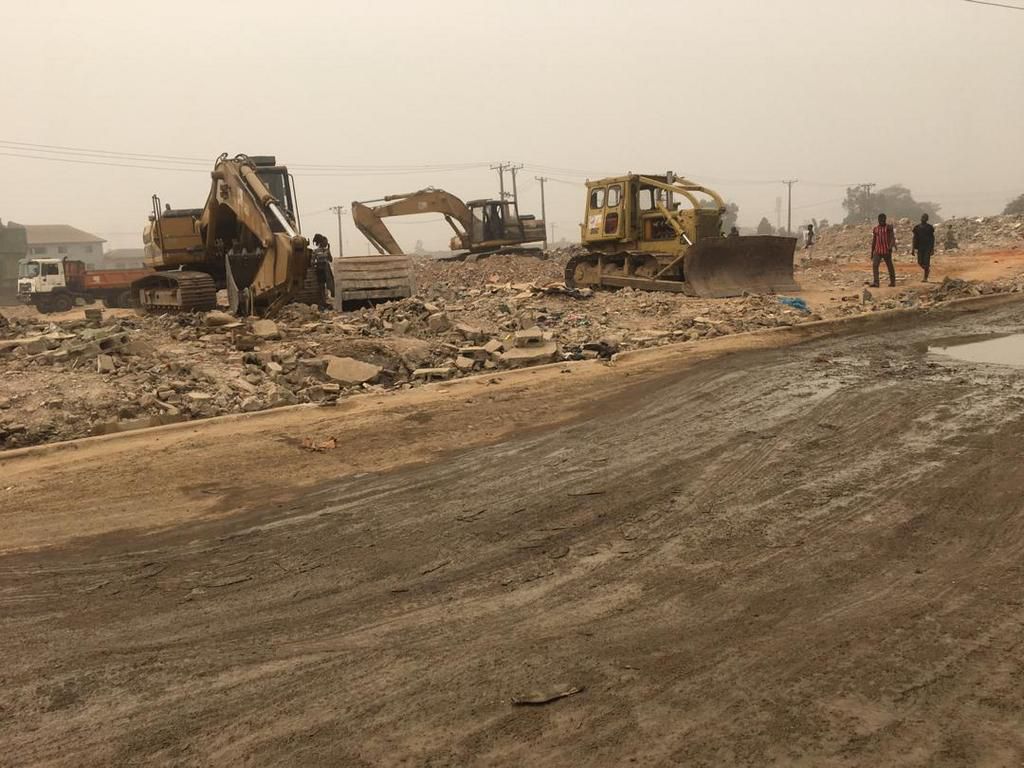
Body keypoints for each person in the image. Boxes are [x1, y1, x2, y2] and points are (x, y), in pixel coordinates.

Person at [870, 213, 897, 288]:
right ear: (878, 220)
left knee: (890, 266)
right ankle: (876, 282)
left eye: (883, 219)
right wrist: (872, 252)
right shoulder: (876, 229)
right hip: (878, 250)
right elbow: (874, 240)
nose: (881, 221)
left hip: (886, 250)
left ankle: (892, 282)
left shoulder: (889, 227)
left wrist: (890, 246)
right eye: (880, 219)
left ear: (885, 219)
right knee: (875, 265)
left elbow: (892, 238)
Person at [912, 213, 936, 282]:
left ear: (927, 219)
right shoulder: (917, 227)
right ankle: (927, 269)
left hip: (928, 247)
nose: (923, 218)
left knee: (926, 262)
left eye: (925, 217)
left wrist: (932, 249)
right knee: (920, 262)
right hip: (920, 247)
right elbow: (914, 238)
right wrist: (913, 248)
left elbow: (932, 238)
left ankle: (925, 278)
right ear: (921, 218)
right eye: (923, 217)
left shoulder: (930, 227)